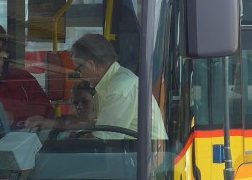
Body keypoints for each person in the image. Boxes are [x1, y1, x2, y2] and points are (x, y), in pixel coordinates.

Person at [29, 34, 166, 140]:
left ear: (90, 65)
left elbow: (104, 140)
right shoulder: (111, 83)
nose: (79, 75)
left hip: (146, 165)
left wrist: (66, 139)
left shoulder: (119, 89)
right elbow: (91, 124)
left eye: (78, 69)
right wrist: (49, 123)